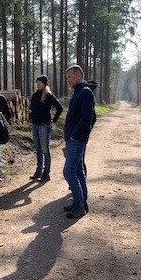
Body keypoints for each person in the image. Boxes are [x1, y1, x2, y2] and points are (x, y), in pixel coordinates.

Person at [62, 65, 96, 219]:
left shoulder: (85, 92)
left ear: (77, 76)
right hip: (72, 139)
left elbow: (87, 118)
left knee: (68, 171)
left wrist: (76, 136)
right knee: (77, 171)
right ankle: (80, 202)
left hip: (77, 139)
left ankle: (80, 205)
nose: (67, 80)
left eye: (69, 76)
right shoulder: (78, 92)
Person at [29, 75, 63, 182]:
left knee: (45, 149)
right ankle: (38, 171)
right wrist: (31, 116)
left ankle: (46, 173)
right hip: (35, 125)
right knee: (38, 149)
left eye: (39, 82)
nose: (37, 84)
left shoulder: (48, 95)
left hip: (44, 125)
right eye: (37, 82)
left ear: (44, 83)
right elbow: (31, 108)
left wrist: (54, 120)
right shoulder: (34, 95)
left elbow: (59, 108)